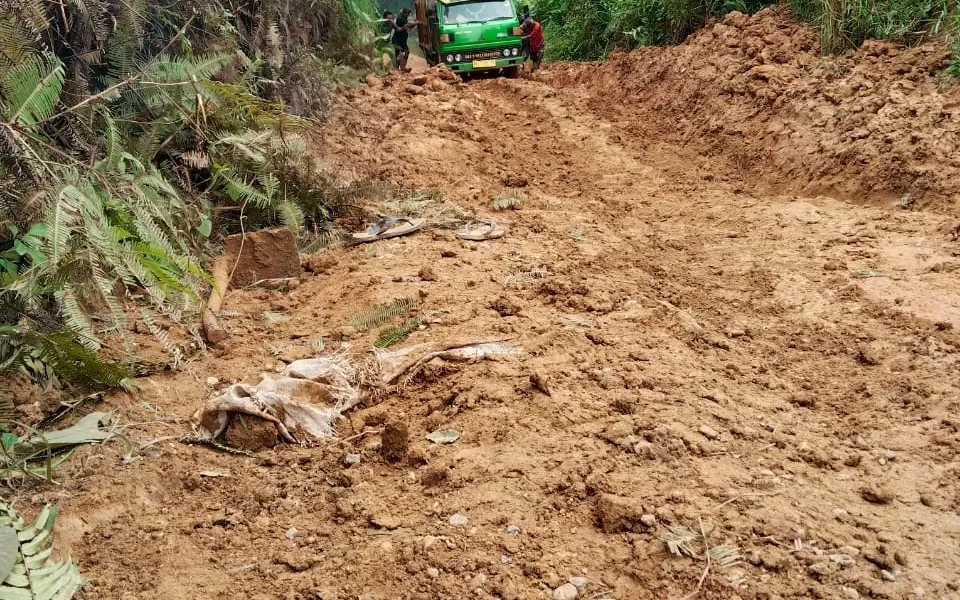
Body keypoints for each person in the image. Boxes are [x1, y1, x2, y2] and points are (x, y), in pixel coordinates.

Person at [392, 8, 419, 73]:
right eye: (407, 13)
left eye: (408, 13)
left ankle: (402, 67)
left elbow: (410, 27)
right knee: (399, 54)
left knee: (406, 52)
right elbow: (408, 25)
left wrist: (415, 23)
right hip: (397, 40)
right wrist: (416, 22)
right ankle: (397, 68)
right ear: (403, 13)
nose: (408, 14)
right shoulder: (400, 19)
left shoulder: (404, 19)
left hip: (402, 41)